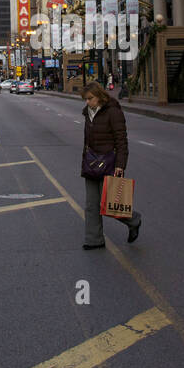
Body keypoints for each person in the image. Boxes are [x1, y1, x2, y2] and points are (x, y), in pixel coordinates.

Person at [80, 80, 141, 250]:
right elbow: (87, 140)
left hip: (109, 162)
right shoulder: (88, 113)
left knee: (111, 204)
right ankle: (94, 239)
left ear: (99, 96)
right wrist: (85, 159)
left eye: (90, 98)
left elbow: (121, 141)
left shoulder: (113, 112)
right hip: (91, 163)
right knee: (91, 205)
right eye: (85, 99)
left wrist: (120, 165)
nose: (87, 102)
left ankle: (134, 220)